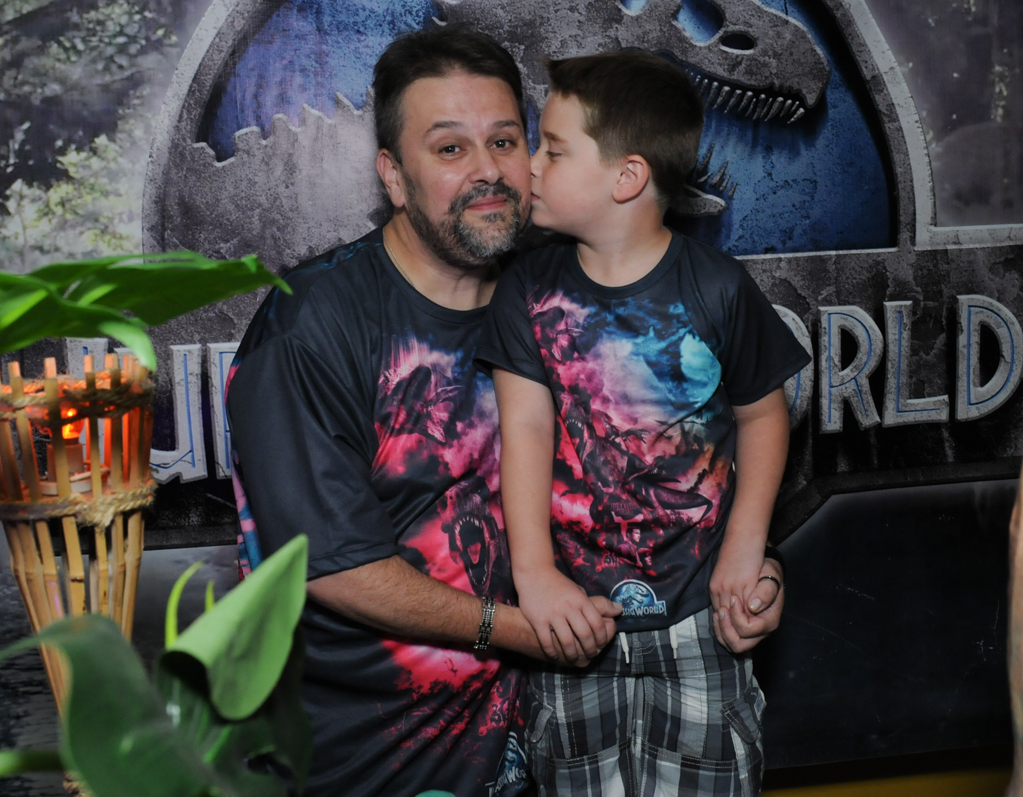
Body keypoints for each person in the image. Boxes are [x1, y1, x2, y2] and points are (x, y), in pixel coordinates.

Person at [225, 26, 624, 797]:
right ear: (395, 177)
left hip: (548, 745)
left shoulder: (560, 292)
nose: (486, 171)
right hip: (359, 761)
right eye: (449, 149)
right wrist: (517, 628)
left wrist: (736, 562)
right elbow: (334, 568)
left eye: (504, 141)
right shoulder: (312, 324)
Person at [476, 51, 808, 796]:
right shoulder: (525, 291)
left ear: (626, 178)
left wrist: (747, 546)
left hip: (700, 619)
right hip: (575, 622)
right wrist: (534, 575)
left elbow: (764, 414)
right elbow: (523, 431)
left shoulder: (718, 287)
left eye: (553, 149)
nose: (528, 164)